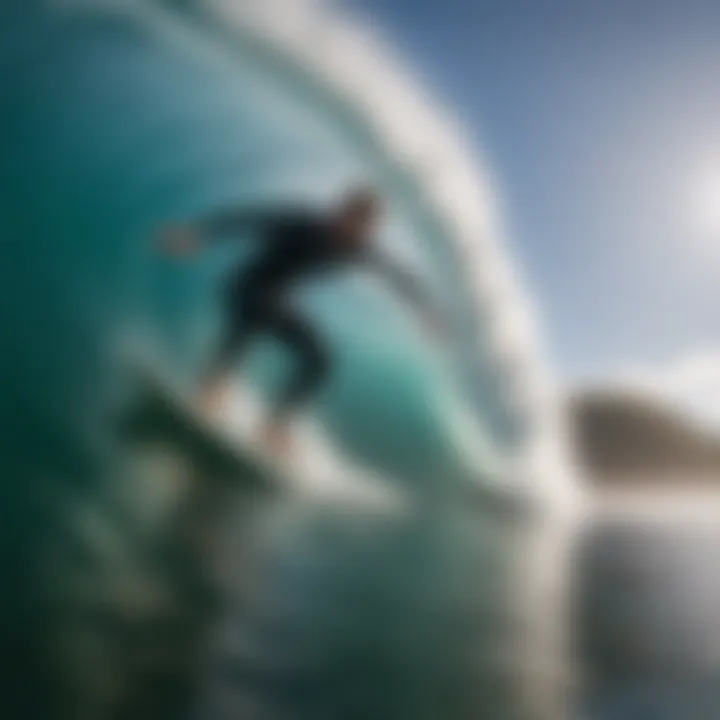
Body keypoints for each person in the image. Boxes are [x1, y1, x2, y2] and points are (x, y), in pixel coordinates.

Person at [159, 187, 441, 458]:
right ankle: (212, 386)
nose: (355, 231)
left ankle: (275, 424)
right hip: (246, 286)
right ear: (341, 212)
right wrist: (200, 234)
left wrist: (426, 311)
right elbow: (250, 218)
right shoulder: (305, 225)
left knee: (321, 360)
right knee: (258, 310)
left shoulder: (358, 250)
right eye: (351, 219)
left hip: (276, 300)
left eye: (364, 227)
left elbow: (398, 275)